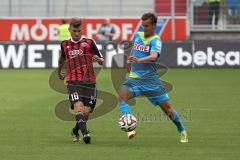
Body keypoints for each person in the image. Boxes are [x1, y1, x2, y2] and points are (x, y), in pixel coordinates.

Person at [118, 12, 188, 143]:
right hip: (134, 78)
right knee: (122, 96)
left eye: (147, 26)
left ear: (154, 25)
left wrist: (139, 60)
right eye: (142, 25)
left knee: (168, 110)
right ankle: (130, 127)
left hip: (150, 81)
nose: (144, 28)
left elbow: (154, 56)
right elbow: (133, 51)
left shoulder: (156, 40)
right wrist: (129, 62)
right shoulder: (138, 36)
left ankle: (181, 129)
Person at [58, 18, 104, 144]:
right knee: (78, 107)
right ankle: (86, 134)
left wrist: (98, 59)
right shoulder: (64, 44)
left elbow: (101, 59)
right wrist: (59, 71)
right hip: (73, 81)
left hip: (90, 82)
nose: (76, 33)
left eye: (78, 31)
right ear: (69, 30)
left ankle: (74, 131)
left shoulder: (89, 42)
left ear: (81, 30)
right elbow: (61, 59)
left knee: (86, 112)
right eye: (74, 31)